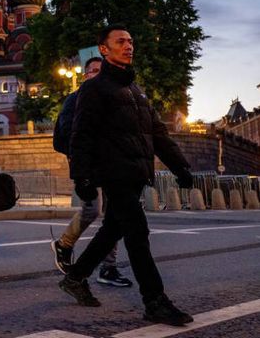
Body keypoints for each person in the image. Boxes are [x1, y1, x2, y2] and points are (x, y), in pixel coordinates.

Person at [59, 24, 195, 326]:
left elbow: (157, 133)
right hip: (114, 173)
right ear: (104, 49)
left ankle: (76, 276)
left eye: (131, 41)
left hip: (136, 174)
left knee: (112, 230)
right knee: (137, 232)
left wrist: (180, 166)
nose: (128, 46)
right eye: (121, 41)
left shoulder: (136, 91)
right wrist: (81, 177)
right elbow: (81, 135)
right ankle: (154, 300)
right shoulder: (94, 89)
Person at [51, 57, 133, 288]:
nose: (97, 74)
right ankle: (64, 244)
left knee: (113, 215)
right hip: (88, 164)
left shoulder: (112, 98)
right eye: (93, 71)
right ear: (85, 75)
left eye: (101, 71)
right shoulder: (75, 99)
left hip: (111, 163)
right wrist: (79, 161)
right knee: (93, 208)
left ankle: (108, 267)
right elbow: (68, 132)